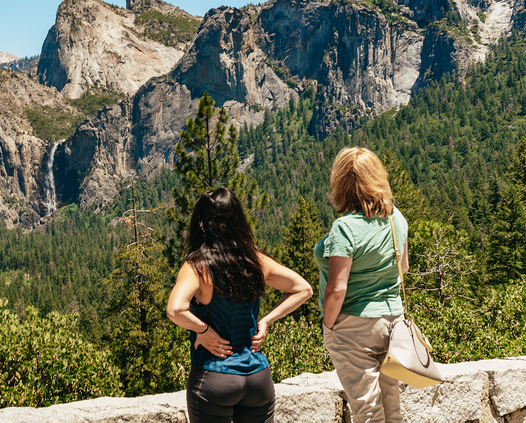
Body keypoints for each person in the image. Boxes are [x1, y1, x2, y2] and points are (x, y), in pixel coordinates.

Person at [167, 187, 313, 423]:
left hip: (215, 376)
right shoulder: (255, 259)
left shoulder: (198, 266)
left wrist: (203, 330)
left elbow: (175, 309)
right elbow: (304, 289)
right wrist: (266, 320)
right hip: (258, 378)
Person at [314, 147, 409, 423]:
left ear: (342, 184)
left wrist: (329, 325)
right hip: (393, 322)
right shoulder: (395, 218)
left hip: (354, 326)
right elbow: (403, 267)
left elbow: (337, 289)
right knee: (392, 409)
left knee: (366, 410)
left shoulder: (345, 228)